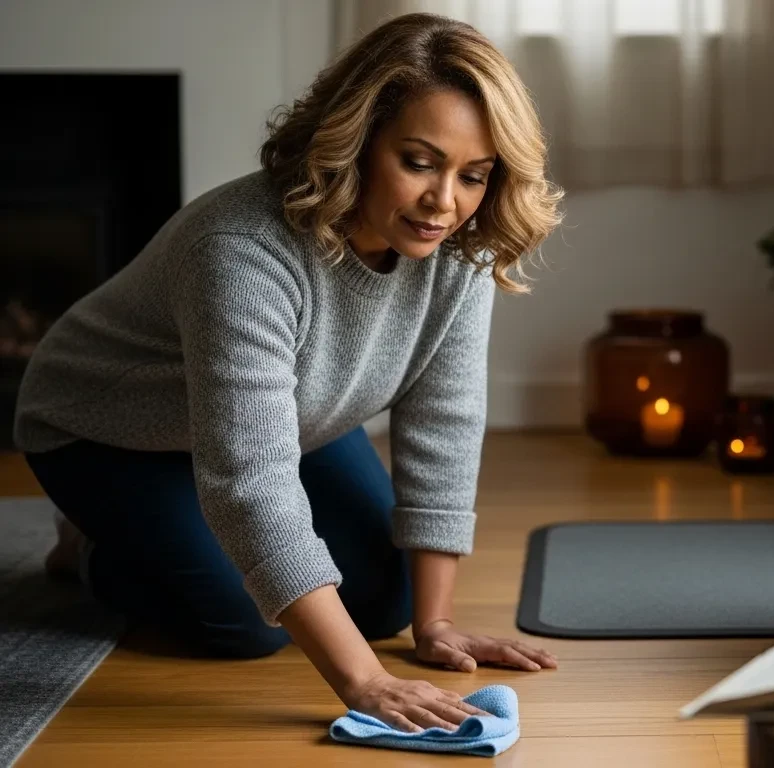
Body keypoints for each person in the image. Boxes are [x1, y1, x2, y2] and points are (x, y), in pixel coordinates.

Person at [15, 13, 561, 733]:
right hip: (104, 429)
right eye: (420, 162)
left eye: (474, 175)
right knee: (245, 624)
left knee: (387, 599)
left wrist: (435, 626)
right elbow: (250, 481)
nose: (445, 203)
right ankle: (83, 549)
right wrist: (364, 681)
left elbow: (445, 421)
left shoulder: (459, 246)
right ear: (357, 140)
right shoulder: (242, 248)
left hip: (293, 417)